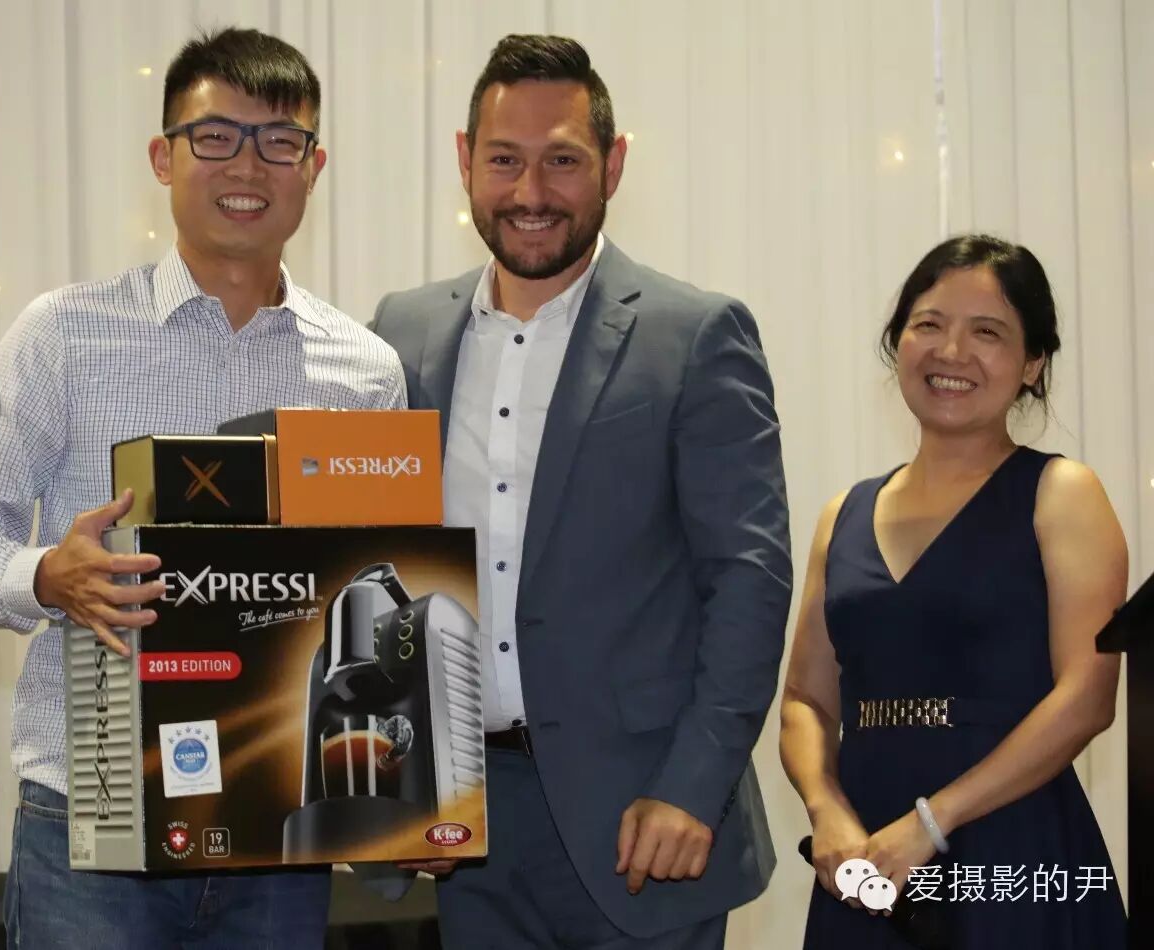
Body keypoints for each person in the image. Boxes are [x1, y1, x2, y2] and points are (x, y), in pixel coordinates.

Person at [0, 27, 405, 949]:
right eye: (215, 136)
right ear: (163, 156)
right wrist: (47, 577)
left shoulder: (366, 371)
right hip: (93, 823)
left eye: (280, 140)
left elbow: (376, 593)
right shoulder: (63, 335)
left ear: (314, 166)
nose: (247, 166)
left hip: (277, 829)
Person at [371, 33, 791, 950]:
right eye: (504, 160)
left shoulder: (696, 334)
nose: (531, 192)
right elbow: (374, 563)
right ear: (464, 161)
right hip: (463, 829)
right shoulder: (400, 334)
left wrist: (694, 787)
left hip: (644, 824)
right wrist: (395, 793)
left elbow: (748, 582)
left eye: (562, 160)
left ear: (614, 163)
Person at [779, 234, 1127, 948]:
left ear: (1032, 364)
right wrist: (825, 809)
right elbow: (806, 698)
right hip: (865, 860)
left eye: (988, 332)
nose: (952, 351)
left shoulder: (1062, 493)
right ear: (897, 342)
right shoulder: (842, 514)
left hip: (1011, 844)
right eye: (929, 324)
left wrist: (932, 823)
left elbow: (1088, 697)